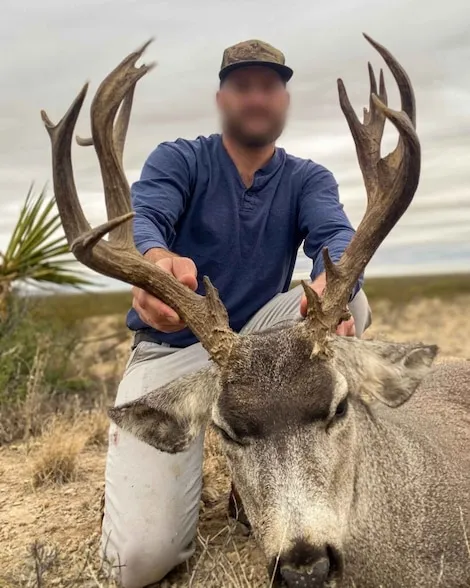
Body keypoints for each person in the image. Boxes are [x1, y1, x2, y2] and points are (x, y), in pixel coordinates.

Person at [101, 39, 372, 587]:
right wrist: (152, 264)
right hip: (174, 349)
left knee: (354, 301)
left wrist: (334, 283)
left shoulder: (306, 178)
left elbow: (337, 236)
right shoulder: (180, 159)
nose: (256, 98)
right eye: (243, 86)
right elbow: (145, 217)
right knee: (139, 563)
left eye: (268, 87)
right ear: (222, 99)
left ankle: (257, 475)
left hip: (256, 349)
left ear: (283, 100)